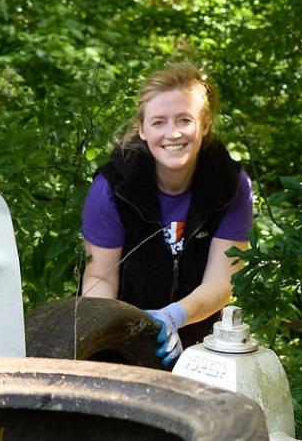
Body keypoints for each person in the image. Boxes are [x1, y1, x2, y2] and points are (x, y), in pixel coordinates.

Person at [80, 63, 254, 366]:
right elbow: (99, 277)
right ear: (143, 130)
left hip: (200, 336)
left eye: (184, 120)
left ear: (206, 125)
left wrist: (173, 316)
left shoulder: (230, 185)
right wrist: (110, 335)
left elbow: (222, 282)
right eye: (159, 122)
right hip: (121, 333)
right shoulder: (112, 188)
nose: (172, 133)